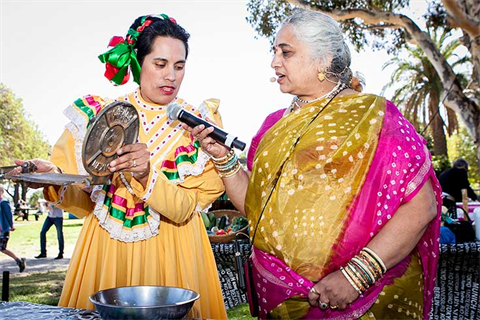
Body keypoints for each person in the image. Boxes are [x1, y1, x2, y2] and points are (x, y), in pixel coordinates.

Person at [186, 9, 441, 320]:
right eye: (274, 51)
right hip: (282, 296)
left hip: (363, 297)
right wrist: (222, 157)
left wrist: (355, 276)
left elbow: (421, 206)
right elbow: (258, 209)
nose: (274, 62)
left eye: (286, 52)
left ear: (323, 59)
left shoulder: (373, 118)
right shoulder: (273, 126)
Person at [9, 13, 227, 319]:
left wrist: (146, 174)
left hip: (174, 255)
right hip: (105, 253)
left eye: (179, 66)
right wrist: (51, 177)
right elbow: (84, 202)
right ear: (139, 63)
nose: (171, 76)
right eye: (160, 64)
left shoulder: (198, 127)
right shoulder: (102, 118)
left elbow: (184, 210)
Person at [0, 185, 26, 272]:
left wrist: (11, 226)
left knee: (2, 248)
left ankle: (18, 261)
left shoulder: (3, 202)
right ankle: (18, 261)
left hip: (3, 229)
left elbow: (9, 215)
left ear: (2, 192)